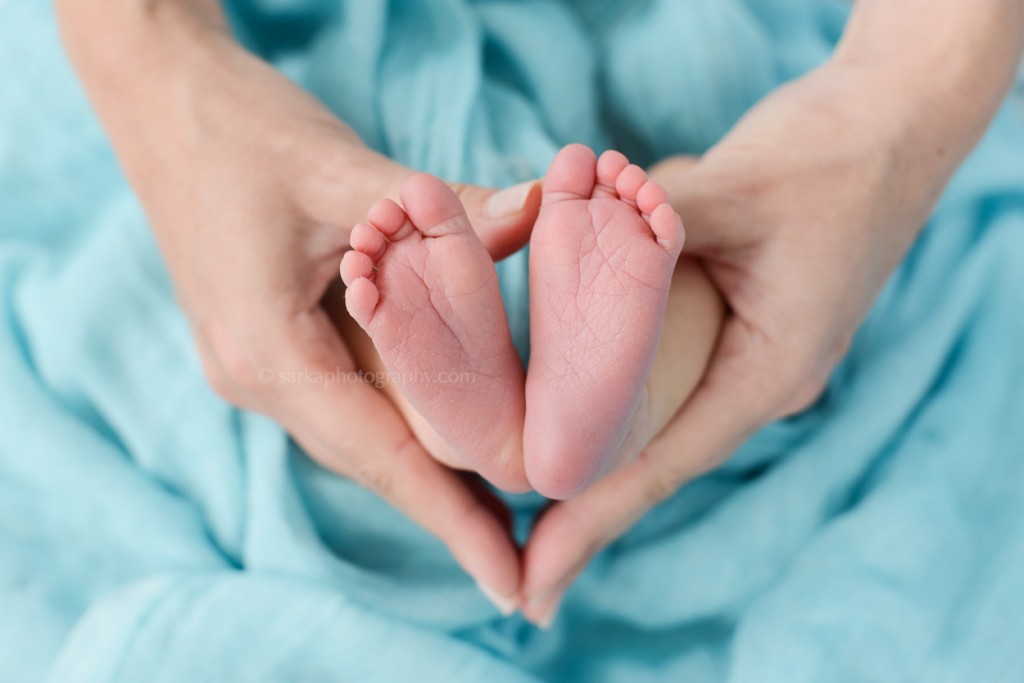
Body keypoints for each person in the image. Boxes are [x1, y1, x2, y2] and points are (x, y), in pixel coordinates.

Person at [56, 0, 1024, 627]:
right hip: (721, 80)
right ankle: (616, 406)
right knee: (683, 239)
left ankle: (447, 406)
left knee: (356, 276)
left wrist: (900, 101)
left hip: (319, 66)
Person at [339, 145, 722, 501]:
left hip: (437, 255)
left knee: (355, 296)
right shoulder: (609, 204)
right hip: (592, 242)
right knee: (677, 197)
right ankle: (633, 421)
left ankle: (448, 439)